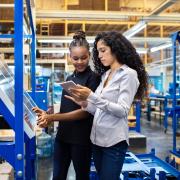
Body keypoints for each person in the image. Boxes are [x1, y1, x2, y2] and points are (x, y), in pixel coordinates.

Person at [66, 31, 148, 180]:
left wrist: (91, 96)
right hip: (97, 140)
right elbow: (98, 109)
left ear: (115, 49)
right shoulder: (105, 75)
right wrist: (84, 103)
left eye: (103, 50)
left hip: (113, 142)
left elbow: (122, 110)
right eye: (98, 52)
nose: (99, 55)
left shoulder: (128, 74)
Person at [33, 30, 100, 180]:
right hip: (62, 137)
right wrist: (48, 112)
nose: (80, 61)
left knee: (81, 176)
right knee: (57, 176)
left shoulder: (93, 79)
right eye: (75, 58)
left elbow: (85, 112)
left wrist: (52, 117)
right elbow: (68, 106)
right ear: (69, 57)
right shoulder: (70, 77)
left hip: (81, 139)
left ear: (89, 56)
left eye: (83, 58)